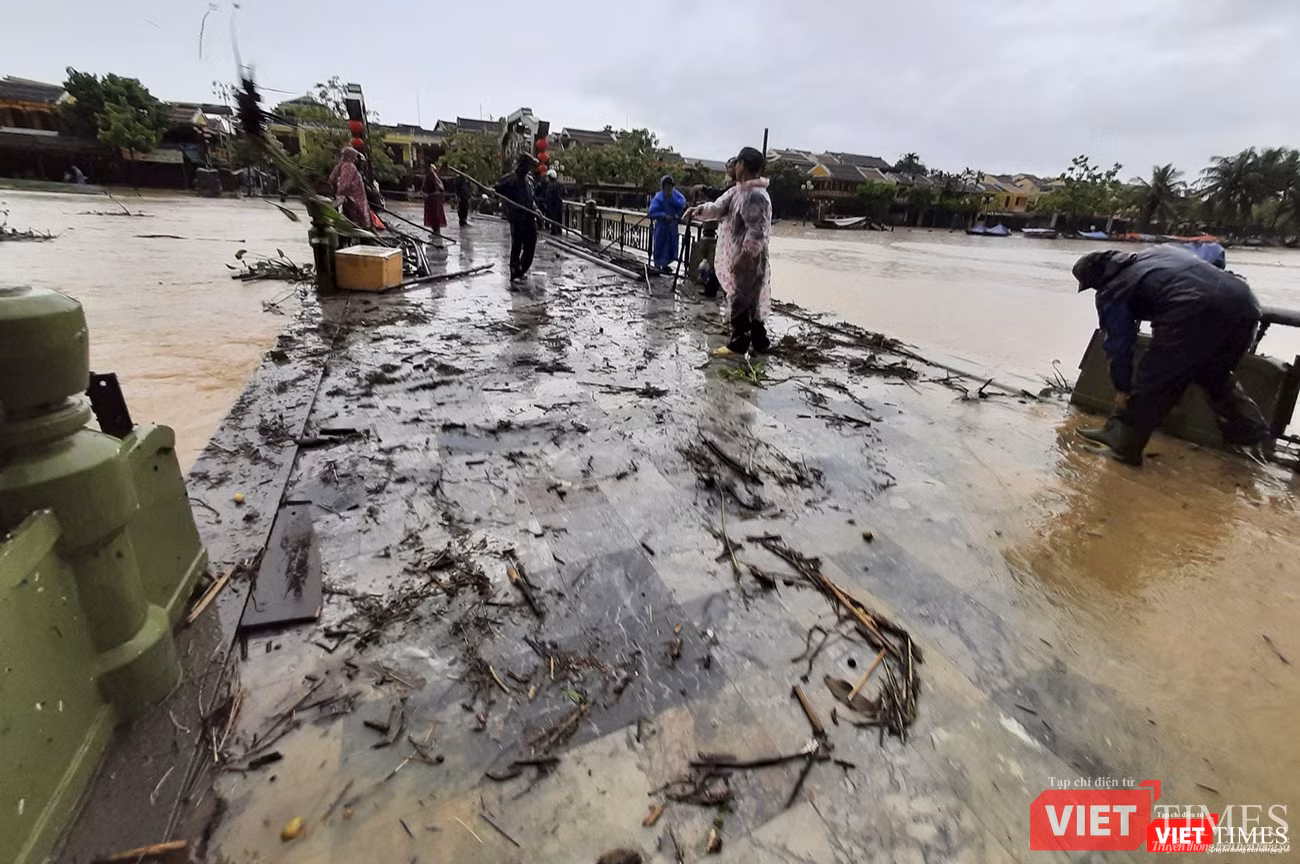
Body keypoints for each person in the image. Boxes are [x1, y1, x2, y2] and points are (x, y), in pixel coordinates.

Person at [1072, 245, 1271, 465]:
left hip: (1191, 309)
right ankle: (1253, 437)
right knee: (1213, 373)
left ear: (1097, 280)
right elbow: (1213, 254)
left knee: (1154, 377)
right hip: (1246, 305)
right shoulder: (1160, 252)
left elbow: (1119, 343)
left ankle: (1124, 447)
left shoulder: (1112, 289)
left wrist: (1121, 387)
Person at [684, 147, 772, 355]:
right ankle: (760, 341)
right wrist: (699, 210)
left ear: (742, 165)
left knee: (741, 298)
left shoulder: (755, 195)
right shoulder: (738, 190)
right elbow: (719, 207)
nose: (734, 167)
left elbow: (757, 230)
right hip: (739, 253)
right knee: (748, 298)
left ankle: (739, 343)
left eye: (737, 163)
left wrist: (745, 255)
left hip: (748, 256)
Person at [496, 154, 539, 283]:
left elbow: (531, 198)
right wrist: (493, 191)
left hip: (530, 216)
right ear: (522, 165)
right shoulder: (510, 179)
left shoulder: (529, 180)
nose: (530, 168)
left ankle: (521, 269)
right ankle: (515, 273)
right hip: (517, 217)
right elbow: (497, 189)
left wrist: (536, 209)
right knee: (517, 245)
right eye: (529, 165)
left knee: (531, 244)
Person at [648, 175, 688, 272]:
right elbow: (651, 212)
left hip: (672, 226)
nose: (668, 188)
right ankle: (658, 264)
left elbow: (682, 203)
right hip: (662, 226)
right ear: (663, 186)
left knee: (670, 246)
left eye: (670, 185)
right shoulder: (658, 197)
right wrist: (664, 216)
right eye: (666, 185)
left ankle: (665, 265)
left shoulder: (676, 195)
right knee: (660, 245)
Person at [328, 146, 371, 228]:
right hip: (353, 197)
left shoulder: (340, 165)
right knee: (357, 217)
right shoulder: (349, 166)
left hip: (348, 197)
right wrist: (340, 193)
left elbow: (331, 179)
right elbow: (344, 183)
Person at [422, 162, 447, 238]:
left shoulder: (431, 177)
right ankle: (436, 231)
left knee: (435, 215)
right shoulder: (434, 177)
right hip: (434, 198)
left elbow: (426, 188)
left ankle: (436, 232)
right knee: (435, 215)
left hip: (433, 199)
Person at [542, 168, 564, 235]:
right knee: (559, 218)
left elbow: (548, 196)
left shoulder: (550, 185)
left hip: (552, 205)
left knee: (553, 218)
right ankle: (559, 230)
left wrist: (546, 203)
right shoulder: (560, 184)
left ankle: (554, 231)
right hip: (559, 204)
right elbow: (564, 193)